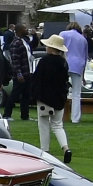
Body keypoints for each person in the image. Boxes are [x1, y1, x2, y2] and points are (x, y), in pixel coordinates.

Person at [31, 35, 73, 163]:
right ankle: (66, 148)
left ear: (51, 47)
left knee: (43, 125)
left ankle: (45, 151)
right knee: (58, 125)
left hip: (45, 97)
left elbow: (37, 79)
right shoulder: (63, 62)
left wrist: (33, 95)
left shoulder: (44, 61)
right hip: (59, 98)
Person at [59, 20, 90, 122]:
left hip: (64, 64)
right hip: (78, 66)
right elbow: (85, 57)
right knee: (76, 93)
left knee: (60, 90)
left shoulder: (63, 34)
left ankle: (59, 116)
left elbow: (58, 49)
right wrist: (83, 76)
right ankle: (75, 118)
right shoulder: (83, 39)